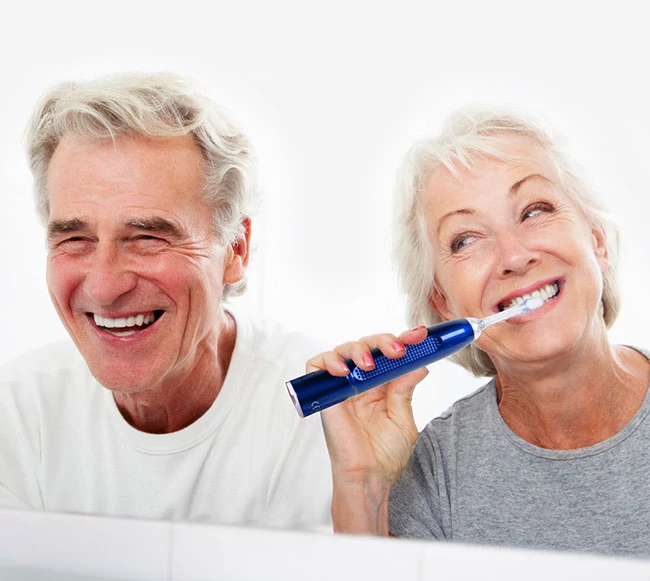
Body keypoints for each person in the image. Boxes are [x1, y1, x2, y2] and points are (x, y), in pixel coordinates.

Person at [310, 106, 650, 556]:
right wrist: (362, 489)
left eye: (534, 210)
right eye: (466, 239)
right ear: (442, 303)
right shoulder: (436, 474)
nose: (514, 256)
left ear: (597, 241)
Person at [0, 72, 332, 530]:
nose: (104, 286)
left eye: (148, 238)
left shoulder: (321, 408)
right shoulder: (17, 416)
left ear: (235, 249)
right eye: (75, 239)